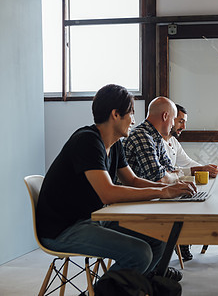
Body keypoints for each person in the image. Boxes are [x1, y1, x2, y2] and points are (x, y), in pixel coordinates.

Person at [36, 84, 196, 281]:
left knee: (158, 239)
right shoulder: (87, 141)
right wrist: (164, 193)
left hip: (93, 218)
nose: (134, 120)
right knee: (140, 254)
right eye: (131, 113)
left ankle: (132, 288)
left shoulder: (115, 144)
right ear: (115, 114)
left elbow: (133, 180)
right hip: (64, 229)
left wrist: (169, 188)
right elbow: (108, 193)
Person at [162, 104, 218, 261]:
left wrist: (205, 168)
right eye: (180, 121)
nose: (184, 126)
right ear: (169, 119)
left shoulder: (173, 141)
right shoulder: (156, 142)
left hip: (171, 189)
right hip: (161, 192)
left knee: (197, 196)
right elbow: (169, 172)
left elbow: (188, 163)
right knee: (190, 199)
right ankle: (181, 238)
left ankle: (183, 239)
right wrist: (198, 169)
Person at [123, 96, 182, 184]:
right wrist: (173, 177)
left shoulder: (157, 138)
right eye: (173, 119)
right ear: (165, 116)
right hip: (132, 196)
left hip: (147, 195)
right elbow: (158, 179)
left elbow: (170, 169)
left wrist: (170, 176)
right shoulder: (141, 136)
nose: (173, 124)